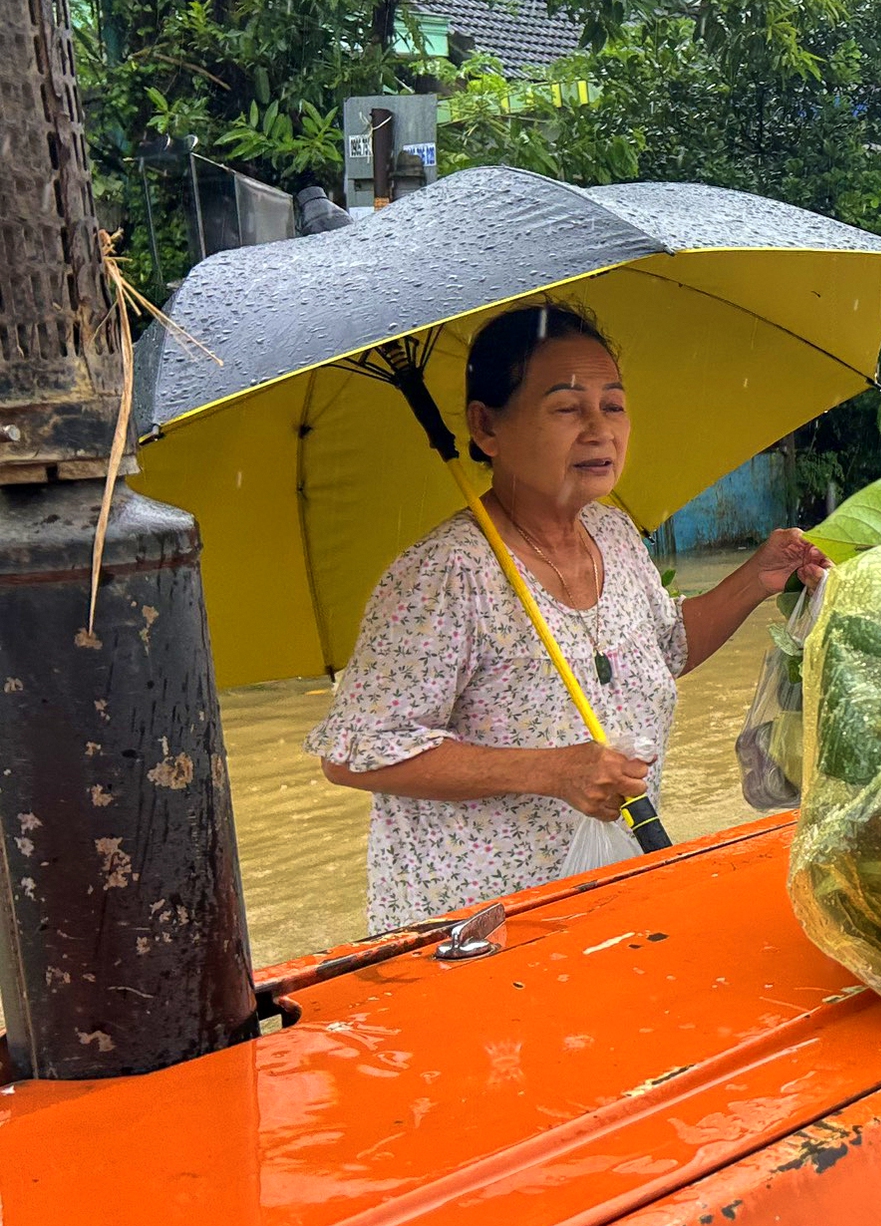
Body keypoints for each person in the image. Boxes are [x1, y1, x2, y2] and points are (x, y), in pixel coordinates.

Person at [312, 304, 826, 932]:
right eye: (566, 408)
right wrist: (553, 770)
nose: (599, 430)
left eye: (613, 405)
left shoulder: (612, 533)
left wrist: (756, 578)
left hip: (609, 895)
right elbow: (356, 751)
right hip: (479, 929)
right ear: (486, 427)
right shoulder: (446, 574)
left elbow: (665, 649)